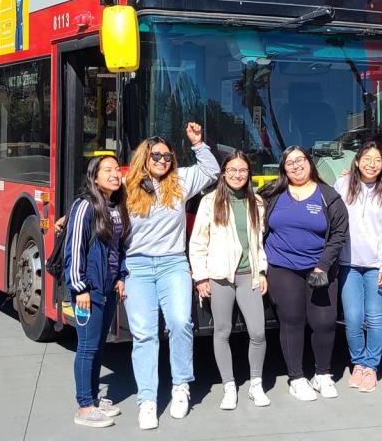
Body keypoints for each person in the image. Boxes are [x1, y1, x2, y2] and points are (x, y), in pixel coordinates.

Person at [123, 123, 220, 430]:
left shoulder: (180, 180)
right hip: (136, 267)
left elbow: (212, 170)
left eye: (167, 155)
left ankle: (181, 387)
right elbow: (100, 207)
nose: (163, 160)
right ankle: (147, 400)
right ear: (144, 157)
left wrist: (198, 143)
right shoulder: (128, 186)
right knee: (145, 334)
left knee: (181, 323)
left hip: (173, 264)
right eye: (156, 155)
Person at [262, 145, 349, 402]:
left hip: (319, 268)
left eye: (300, 160)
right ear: (283, 169)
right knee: (292, 320)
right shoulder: (272, 194)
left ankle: (322, 374)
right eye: (290, 162)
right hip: (282, 267)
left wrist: (323, 264)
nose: (296, 165)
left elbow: (339, 234)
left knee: (324, 321)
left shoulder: (328, 195)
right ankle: (297, 377)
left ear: (310, 163)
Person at [188, 151, 270, 410]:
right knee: (221, 332)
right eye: (232, 170)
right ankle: (229, 386)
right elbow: (198, 242)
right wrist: (200, 276)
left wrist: (262, 271)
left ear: (249, 174)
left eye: (243, 170)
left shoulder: (256, 202)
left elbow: (258, 243)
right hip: (219, 276)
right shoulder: (210, 201)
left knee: (258, 332)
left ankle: (255, 384)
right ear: (224, 173)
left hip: (249, 276)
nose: (237, 175)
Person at [63, 155, 129, 428]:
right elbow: (74, 248)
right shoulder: (84, 205)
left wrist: (121, 276)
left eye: (116, 169)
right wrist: (79, 287)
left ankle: (92, 397)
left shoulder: (115, 206)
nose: (115, 174)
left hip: (108, 288)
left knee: (99, 346)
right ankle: (84, 406)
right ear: (94, 177)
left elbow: (119, 248)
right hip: (88, 290)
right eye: (108, 170)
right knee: (87, 347)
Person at [335, 142, 382, 393]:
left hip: (377, 265)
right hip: (348, 264)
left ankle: (371, 366)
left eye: (377, 160)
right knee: (352, 319)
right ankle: (358, 363)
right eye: (367, 159)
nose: (372, 164)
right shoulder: (342, 185)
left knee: (375, 318)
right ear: (356, 161)